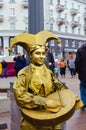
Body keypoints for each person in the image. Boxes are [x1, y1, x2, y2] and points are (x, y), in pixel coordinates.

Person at [8, 30, 83, 130]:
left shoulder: (48, 72)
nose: (41, 56)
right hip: (32, 119)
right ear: (30, 55)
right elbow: (20, 95)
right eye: (38, 53)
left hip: (51, 117)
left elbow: (59, 86)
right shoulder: (24, 73)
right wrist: (43, 101)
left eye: (43, 53)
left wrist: (71, 97)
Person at [75, 43, 86, 109]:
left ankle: (84, 102)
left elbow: (77, 62)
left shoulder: (80, 50)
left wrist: (78, 71)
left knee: (83, 87)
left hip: (83, 73)